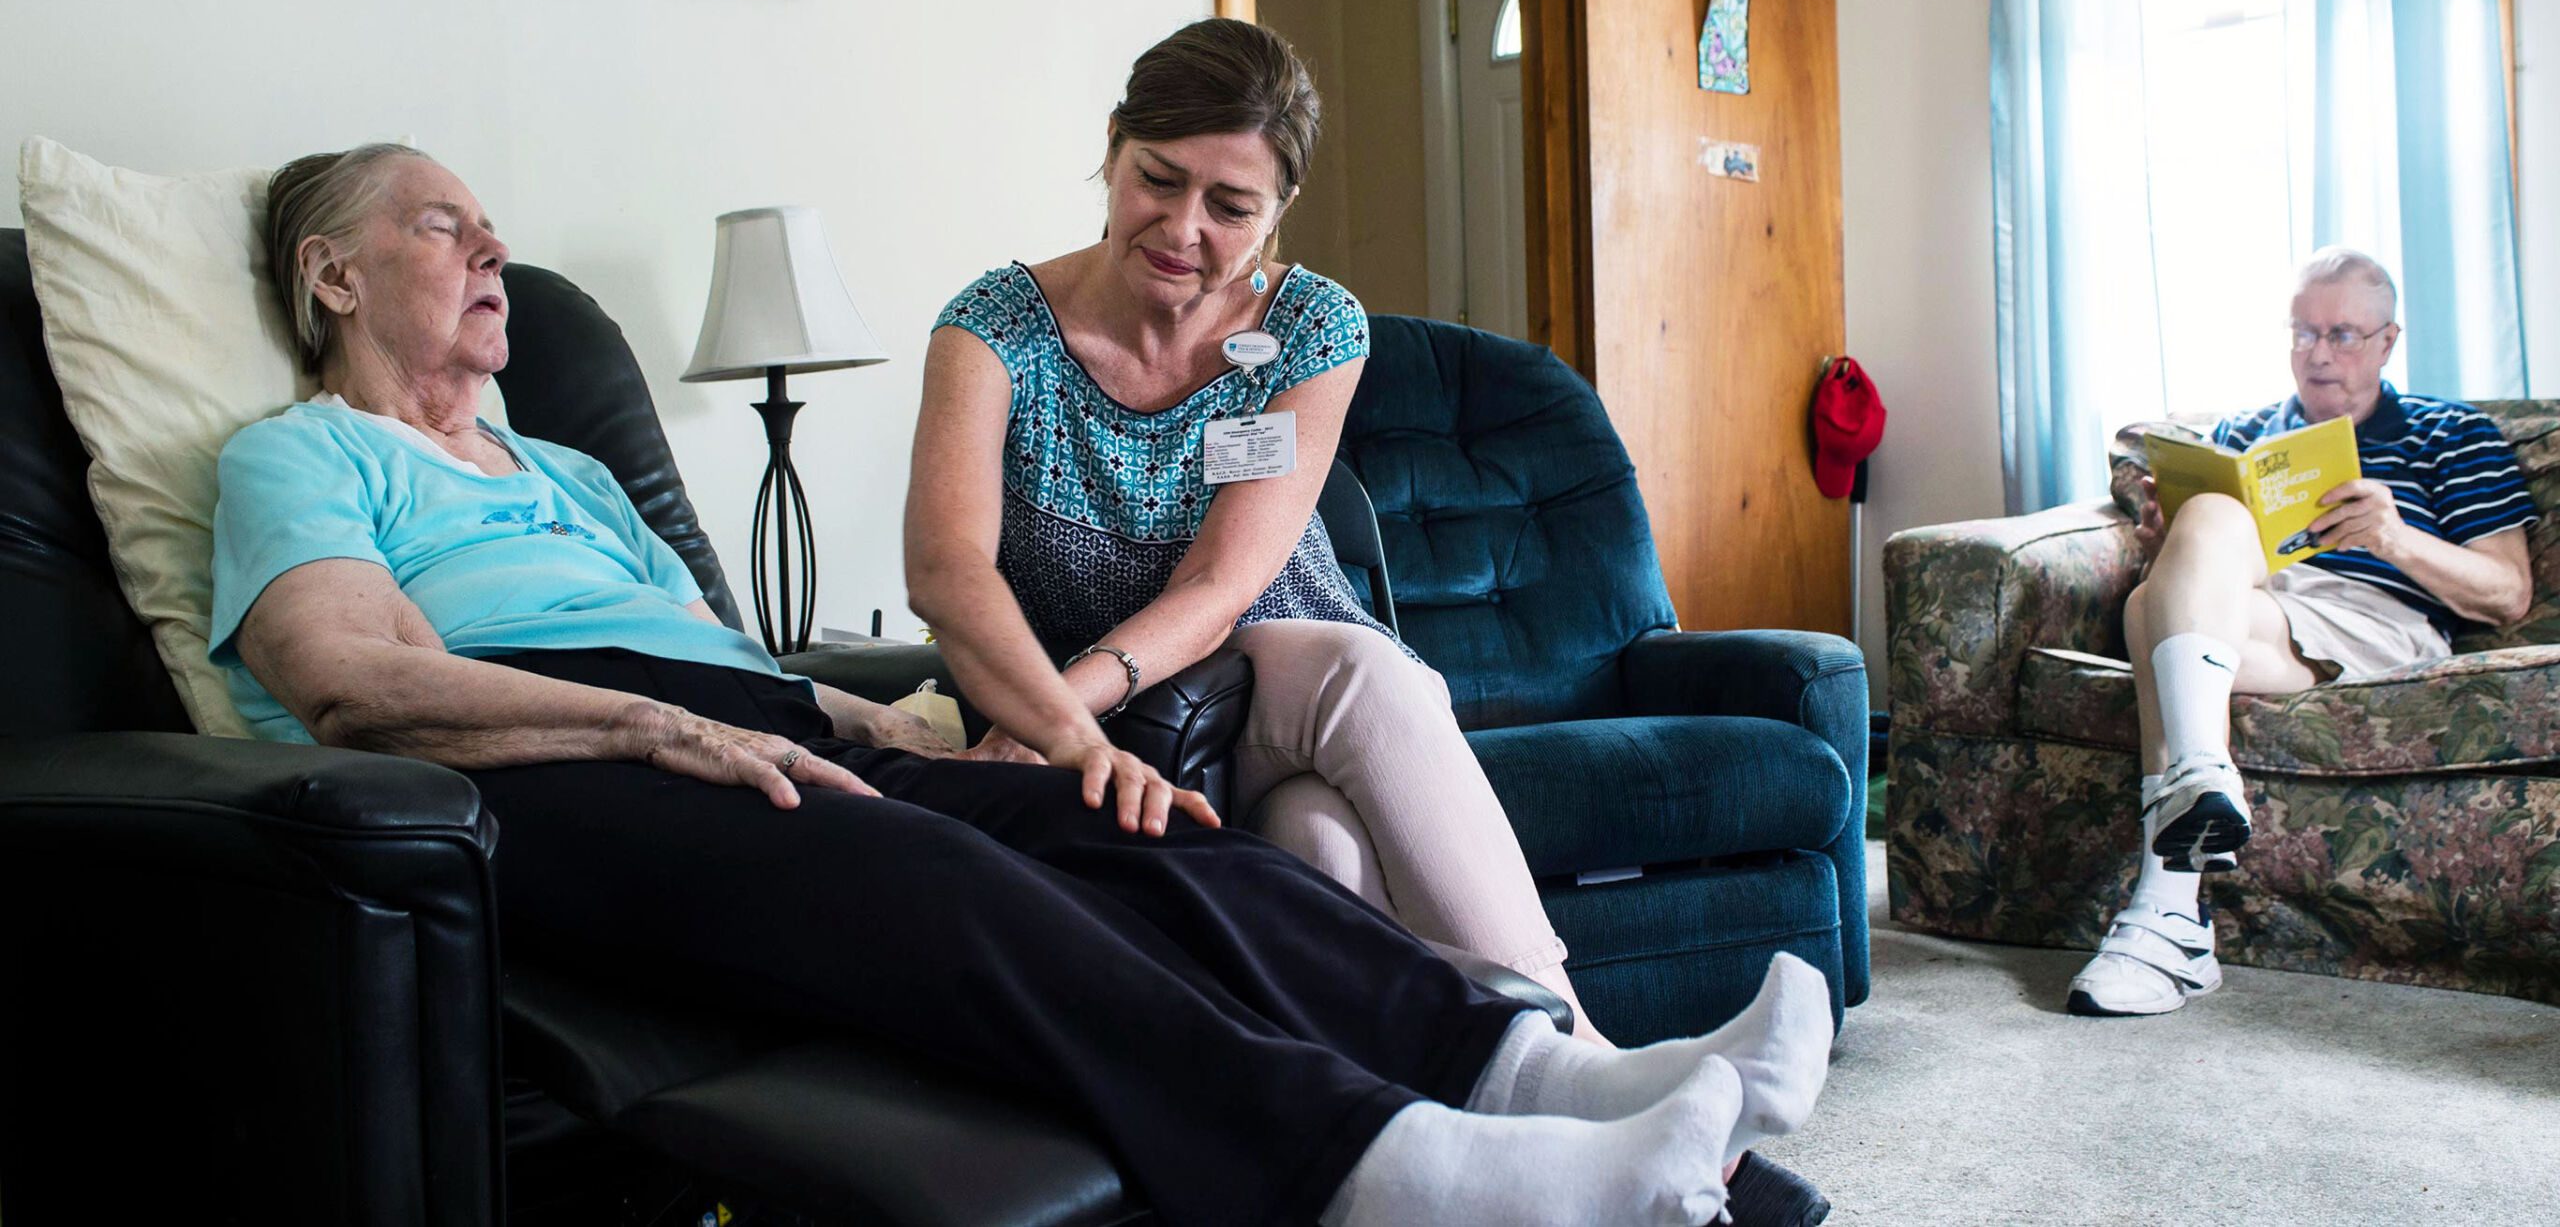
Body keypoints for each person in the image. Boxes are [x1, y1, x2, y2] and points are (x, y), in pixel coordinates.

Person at [210, 140, 1837, 1226]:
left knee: (1135, 826)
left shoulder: (562, 465)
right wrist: (652, 723)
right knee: (926, 863)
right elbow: (351, 682)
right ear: (332, 274)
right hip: (542, 763)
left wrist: (919, 725)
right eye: (441, 223)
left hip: (738, 725)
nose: (493, 245)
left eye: (491, 224)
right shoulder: (299, 453)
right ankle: (1376, 1164)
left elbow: (743, 666)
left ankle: (1533, 1064)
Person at [907, 16, 1607, 1046]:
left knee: (1362, 693)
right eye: (1157, 178)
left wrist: (1051, 716)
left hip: (1271, 684)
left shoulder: (1308, 328)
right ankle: (1543, 1107)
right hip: (1140, 746)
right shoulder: (993, 331)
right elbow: (944, 569)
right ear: (1110, 151)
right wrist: (1062, 729)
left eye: (1229, 206)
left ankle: (1572, 1060)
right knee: (1323, 855)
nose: (1181, 228)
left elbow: (1219, 586)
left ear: (1277, 211)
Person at [2068, 247, 2538, 1019]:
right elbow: (2191, 569)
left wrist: (2393, 536)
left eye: (2343, 335)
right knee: (2156, 593)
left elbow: (2509, 592)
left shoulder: (2452, 433)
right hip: (2260, 611)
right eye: (2303, 333)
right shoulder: (2242, 432)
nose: (2318, 354)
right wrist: (2168, 538)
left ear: (2388, 340)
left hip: (2376, 617)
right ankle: (2174, 899)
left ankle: (2173, 889)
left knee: (2152, 610)